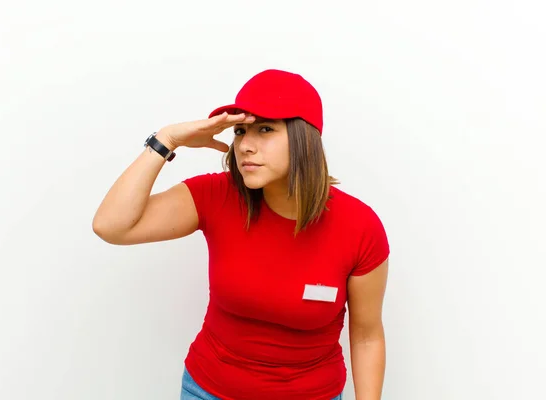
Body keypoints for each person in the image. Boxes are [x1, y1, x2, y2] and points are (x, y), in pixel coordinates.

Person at [92, 69, 390, 400]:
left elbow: (366, 336)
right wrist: (167, 139)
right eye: (240, 131)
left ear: (305, 138)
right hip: (208, 391)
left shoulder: (360, 227)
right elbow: (112, 225)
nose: (245, 145)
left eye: (265, 129)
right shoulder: (216, 196)